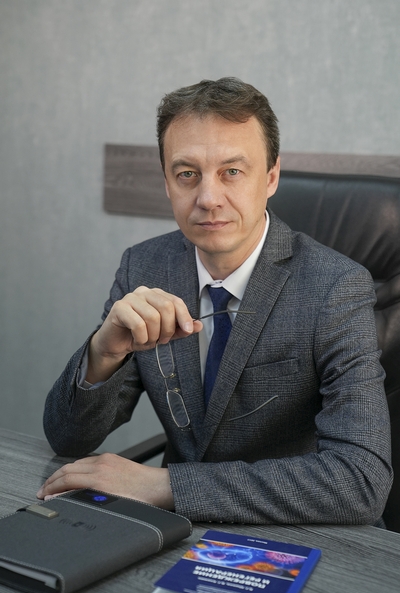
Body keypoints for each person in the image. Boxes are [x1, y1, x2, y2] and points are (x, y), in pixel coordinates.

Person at [38, 77, 393, 525]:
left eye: (232, 172)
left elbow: (360, 481)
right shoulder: (143, 267)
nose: (208, 199)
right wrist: (103, 353)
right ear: (167, 183)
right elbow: (67, 438)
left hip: (297, 534)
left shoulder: (335, 287)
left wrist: (168, 486)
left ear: (271, 177)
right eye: (187, 174)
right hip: (173, 532)